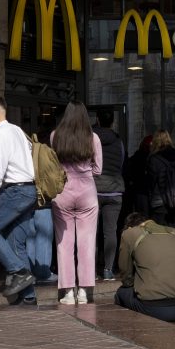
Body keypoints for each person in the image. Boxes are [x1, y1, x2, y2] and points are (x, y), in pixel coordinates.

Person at [0, 96, 39, 304]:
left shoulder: (1, 134)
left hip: (15, 192)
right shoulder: (17, 130)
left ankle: (19, 271)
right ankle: (28, 298)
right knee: (17, 244)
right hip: (29, 190)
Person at [50, 102, 103, 305]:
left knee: (64, 244)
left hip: (62, 192)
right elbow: (98, 169)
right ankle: (84, 291)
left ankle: (68, 293)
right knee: (86, 243)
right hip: (87, 193)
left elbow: (54, 165)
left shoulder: (56, 136)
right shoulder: (93, 138)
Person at [114, 212, 175, 322]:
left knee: (121, 293)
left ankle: (131, 335)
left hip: (155, 309)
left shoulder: (129, 233)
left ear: (130, 226)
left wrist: (136, 282)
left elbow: (125, 274)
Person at [92, 109, 125, 280]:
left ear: (97, 119)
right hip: (114, 190)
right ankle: (108, 269)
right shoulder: (118, 140)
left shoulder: (90, 137)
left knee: (91, 232)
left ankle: (90, 269)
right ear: (112, 122)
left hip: (93, 189)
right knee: (110, 232)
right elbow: (121, 162)